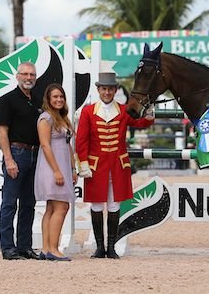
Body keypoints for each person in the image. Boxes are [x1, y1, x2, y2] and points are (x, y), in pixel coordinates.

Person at [76, 72, 154, 259]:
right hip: (96, 166)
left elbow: (140, 122)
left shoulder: (124, 110)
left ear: (115, 90)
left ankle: (111, 247)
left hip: (118, 166)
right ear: (98, 90)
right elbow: (81, 141)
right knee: (96, 205)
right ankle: (99, 247)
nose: (107, 92)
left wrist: (150, 113)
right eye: (104, 89)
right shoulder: (88, 111)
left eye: (110, 89)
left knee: (114, 204)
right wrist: (83, 164)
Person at [0, 62, 42, 260]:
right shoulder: (8, 100)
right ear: (17, 76)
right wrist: (9, 159)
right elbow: (2, 132)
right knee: (9, 204)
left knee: (28, 204)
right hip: (16, 153)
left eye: (32, 74)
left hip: (35, 155)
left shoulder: (38, 99)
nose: (28, 77)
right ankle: (8, 248)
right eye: (25, 74)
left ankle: (25, 247)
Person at [34, 84, 78, 261]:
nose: (59, 99)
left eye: (61, 96)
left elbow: (68, 145)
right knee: (62, 207)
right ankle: (53, 249)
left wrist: (73, 168)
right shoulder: (46, 119)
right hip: (52, 167)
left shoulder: (62, 118)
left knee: (52, 208)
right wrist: (57, 171)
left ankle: (46, 249)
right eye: (55, 97)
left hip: (63, 167)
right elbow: (45, 145)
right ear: (48, 99)